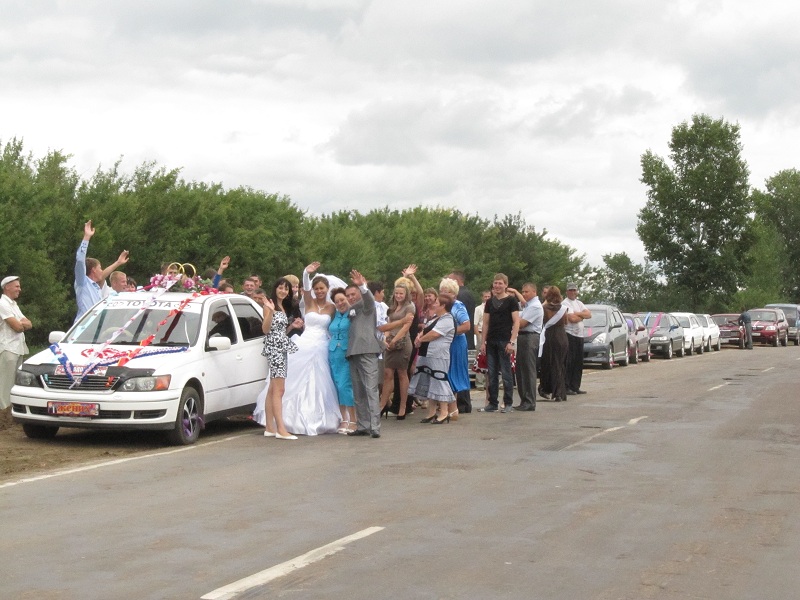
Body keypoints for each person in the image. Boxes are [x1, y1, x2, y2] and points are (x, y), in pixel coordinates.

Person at [279, 263, 341, 435]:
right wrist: (306, 273)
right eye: (317, 288)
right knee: (298, 378)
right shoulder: (309, 301)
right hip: (305, 342)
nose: (319, 291)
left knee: (320, 380)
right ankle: (290, 418)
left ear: (327, 289)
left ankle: (320, 417)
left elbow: (335, 325)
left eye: (322, 288)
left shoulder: (332, 307)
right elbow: (305, 288)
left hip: (322, 343)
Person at [258, 278, 303, 440]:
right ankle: (280, 429)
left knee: (273, 389)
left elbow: (279, 331)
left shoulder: (284, 306)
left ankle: (270, 427)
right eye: (281, 288)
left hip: (280, 346)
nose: (283, 291)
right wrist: (269, 311)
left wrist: (292, 327)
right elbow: (265, 329)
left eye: (286, 289)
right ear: (275, 288)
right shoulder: (269, 305)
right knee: (279, 389)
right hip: (274, 348)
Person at [345, 270, 384, 438]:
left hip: (367, 350)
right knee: (358, 391)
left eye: (353, 294)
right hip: (353, 352)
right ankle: (363, 425)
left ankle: (375, 427)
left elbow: (369, 299)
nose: (351, 297)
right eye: (348, 295)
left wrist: (362, 286)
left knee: (370, 389)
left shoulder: (367, 306)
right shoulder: (351, 310)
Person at [410, 295, 456, 424]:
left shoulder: (447, 319)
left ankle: (444, 412)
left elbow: (434, 334)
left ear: (443, 306)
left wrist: (420, 339)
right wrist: (419, 336)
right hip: (427, 354)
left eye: (436, 302)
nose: (433, 304)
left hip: (438, 356)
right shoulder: (435, 318)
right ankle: (431, 413)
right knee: (429, 382)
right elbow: (425, 330)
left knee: (439, 381)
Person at [479, 273, 520, 413]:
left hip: (505, 340)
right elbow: (485, 323)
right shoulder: (489, 302)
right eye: (495, 283)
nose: (497, 286)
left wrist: (512, 341)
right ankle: (492, 402)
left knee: (506, 372)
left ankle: (508, 402)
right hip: (491, 340)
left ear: (506, 285)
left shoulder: (511, 301)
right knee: (492, 373)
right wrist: (483, 342)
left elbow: (516, 322)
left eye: (500, 283)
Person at [74, 220, 129, 322]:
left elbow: (103, 274)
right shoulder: (82, 283)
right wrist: (86, 237)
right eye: (100, 268)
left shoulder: (96, 287)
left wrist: (118, 262)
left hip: (94, 328)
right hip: (82, 328)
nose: (102, 270)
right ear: (94, 270)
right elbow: (80, 260)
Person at [378, 277, 415, 419]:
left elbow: (406, 326)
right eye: (397, 293)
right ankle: (382, 404)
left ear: (406, 294)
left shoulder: (409, 307)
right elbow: (388, 323)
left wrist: (394, 340)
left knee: (402, 373)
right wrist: (386, 338)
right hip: (390, 342)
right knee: (387, 373)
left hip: (403, 343)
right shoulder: (392, 307)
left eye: (401, 293)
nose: (399, 296)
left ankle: (403, 406)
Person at [1, 276, 32, 425]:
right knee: (5, 384)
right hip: (7, 348)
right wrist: (21, 323)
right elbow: (18, 326)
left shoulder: (13, 304)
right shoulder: (3, 304)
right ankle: (4, 416)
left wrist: (21, 323)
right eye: (16, 286)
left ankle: (11, 414)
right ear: (7, 287)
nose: (19, 289)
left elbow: (29, 323)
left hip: (18, 348)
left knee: (14, 383)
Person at [439, 278, 471, 418]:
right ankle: (447, 407)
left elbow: (466, 325)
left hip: (456, 343)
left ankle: (453, 408)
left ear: (454, 293)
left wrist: (449, 331)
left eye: (447, 292)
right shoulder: (440, 306)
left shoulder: (458, 306)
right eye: (442, 291)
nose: (444, 294)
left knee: (453, 373)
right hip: (444, 344)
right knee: (444, 373)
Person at [510, 282, 542, 411]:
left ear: (534, 292)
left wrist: (513, 320)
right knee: (520, 369)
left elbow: (522, 323)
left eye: (526, 292)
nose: (524, 294)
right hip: (523, 337)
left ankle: (530, 401)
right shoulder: (527, 305)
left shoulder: (535, 306)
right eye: (522, 292)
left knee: (528, 370)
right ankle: (524, 399)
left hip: (530, 337)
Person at [328, 287, 356, 434]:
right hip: (333, 354)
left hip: (347, 353)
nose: (340, 303)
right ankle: (343, 418)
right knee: (337, 386)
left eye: (342, 300)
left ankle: (353, 419)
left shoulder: (352, 314)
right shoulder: (335, 315)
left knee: (346, 385)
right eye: (337, 301)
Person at [540, 286, 569, 402]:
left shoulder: (544, 308)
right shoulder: (564, 308)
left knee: (549, 363)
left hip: (549, 336)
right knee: (560, 364)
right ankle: (560, 392)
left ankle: (548, 389)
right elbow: (566, 322)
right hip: (561, 336)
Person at [563, 282, 591, 395]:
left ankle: (575, 386)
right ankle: (567, 386)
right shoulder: (565, 303)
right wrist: (582, 316)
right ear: (567, 291)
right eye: (571, 290)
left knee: (578, 362)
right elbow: (572, 319)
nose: (573, 292)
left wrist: (578, 314)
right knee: (569, 361)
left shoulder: (579, 303)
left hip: (580, 335)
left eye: (574, 290)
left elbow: (589, 314)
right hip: (570, 334)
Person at [448, 271, 477, 350]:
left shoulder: (459, 296)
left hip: (460, 337)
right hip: (467, 337)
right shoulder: (468, 293)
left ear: (456, 281)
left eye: (449, 280)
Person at [473, 290, 491, 390]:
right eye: (485, 296)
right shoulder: (478, 309)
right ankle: (480, 383)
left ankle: (496, 382)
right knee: (480, 359)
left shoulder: (493, 307)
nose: (487, 298)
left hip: (491, 335)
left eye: (489, 296)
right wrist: (479, 338)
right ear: (482, 297)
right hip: (480, 334)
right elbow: (475, 324)